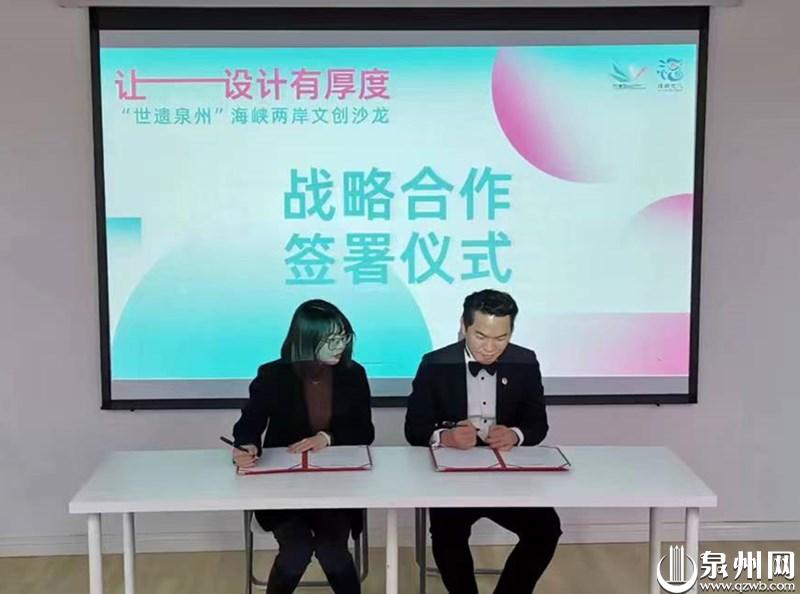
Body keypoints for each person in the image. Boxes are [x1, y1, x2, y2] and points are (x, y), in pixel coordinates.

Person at [405, 289, 561, 594]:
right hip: (454, 477)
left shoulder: (525, 361)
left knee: (546, 529)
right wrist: (445, 437)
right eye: (480, 336)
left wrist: (515, 435)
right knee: (448, 535)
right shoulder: (435, 363)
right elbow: (413, 429)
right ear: (463, 326)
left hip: (507, 475)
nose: (490, 348)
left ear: (511, 332)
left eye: (501, 338)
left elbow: (537, 425)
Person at [232, 299, 374, 594]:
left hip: (337, 488)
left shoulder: (354, 374)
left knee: (332, 549)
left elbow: (365, 431)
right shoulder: (273, 375)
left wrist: (328, 438)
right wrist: (246, 446)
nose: (340, 345)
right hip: (284, 490)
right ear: (306, 340)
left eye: (344, 337)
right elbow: (249, 423)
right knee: (296, 549)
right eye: (331, 339)